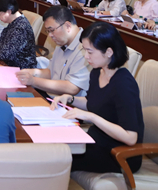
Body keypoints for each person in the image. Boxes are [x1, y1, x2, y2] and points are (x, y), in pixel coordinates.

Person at [51, 22, 144, 174]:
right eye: (84, 50)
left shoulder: (124, 84)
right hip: (96, 141)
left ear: (109, 52)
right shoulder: (97, 72)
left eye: (90, 51)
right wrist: (70, 99)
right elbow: (93, 103)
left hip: (119, 154)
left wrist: (92, 117)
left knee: (55, 158)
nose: (86, 56)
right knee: (51, 147)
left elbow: (130, 137)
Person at [15, 6, 89, 97]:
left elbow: (72, 88)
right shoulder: (62, 42)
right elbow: (51, 72)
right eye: (48, 31)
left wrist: (33, 81)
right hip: (51, 96)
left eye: (52, 30)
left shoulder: (86, 48)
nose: (50, 35)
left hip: (67, 103)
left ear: (67, 26)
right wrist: (32, 72)